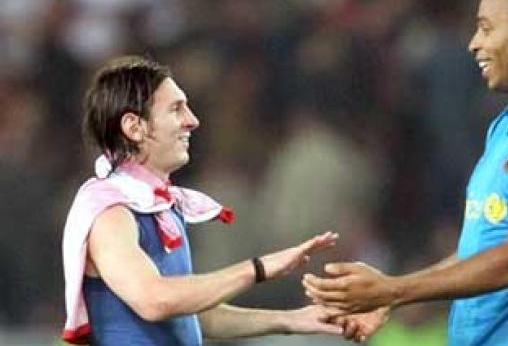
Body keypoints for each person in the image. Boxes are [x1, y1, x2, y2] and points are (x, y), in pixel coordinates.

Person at [303, 0, 508, 345]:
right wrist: (392, 300)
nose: (474, 43)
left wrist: (395, 289)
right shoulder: (505, 129)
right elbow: (485, 248)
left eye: (486, 28)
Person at [61, 55, 343, 345]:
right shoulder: (110, 211)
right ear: (134, 127)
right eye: (176, 109)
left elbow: (191, 314)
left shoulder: (160, 207)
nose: (192, 121)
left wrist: (293, 319)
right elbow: (154, 300)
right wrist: (255, 269)